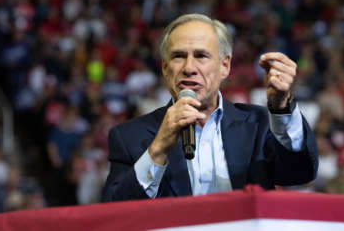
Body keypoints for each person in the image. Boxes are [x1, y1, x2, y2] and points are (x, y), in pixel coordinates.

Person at [102, 14, 318, 202]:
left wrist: (280, 107)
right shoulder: (129, 136)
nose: (189, 68)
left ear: (225, 66)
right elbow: (114, 214)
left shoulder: (258, 125)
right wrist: (157, 149)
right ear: (166, 69)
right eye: (178, 56)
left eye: (201, 56)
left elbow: (299, 172)